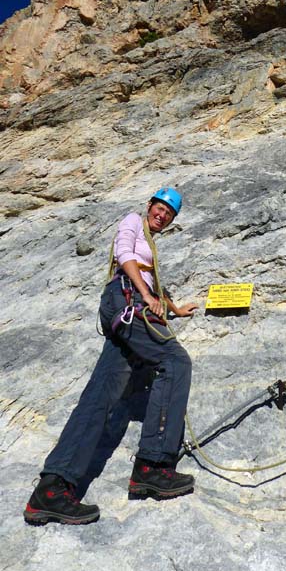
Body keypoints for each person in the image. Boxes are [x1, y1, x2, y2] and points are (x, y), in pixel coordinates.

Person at [24, 187, 198, 525]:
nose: (162, 215)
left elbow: (148, 279)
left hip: (125, 306)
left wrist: (174, 307)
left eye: (169, 213)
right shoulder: (132, 221)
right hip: (127, 301)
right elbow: (124, 257)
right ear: (149, 206)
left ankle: (52, 489)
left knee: (100, 395)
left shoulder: (149, 240)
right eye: (160, 208)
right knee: (175, 362)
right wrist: (146, 295)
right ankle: (153, 465)